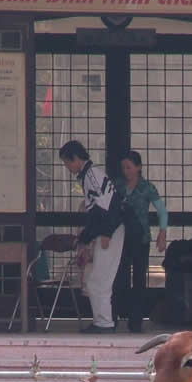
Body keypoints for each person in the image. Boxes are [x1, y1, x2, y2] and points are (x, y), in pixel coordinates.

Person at [59, 140, 129, 334]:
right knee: (97, 279)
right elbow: (97, 211)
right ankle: (102, 321)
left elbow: (111, 206)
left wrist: (106, 233)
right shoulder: (88, 176)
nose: (67, 167)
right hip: (106, 230)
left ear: (75, 158)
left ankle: (104, 323)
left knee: (100, 279)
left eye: (67, 163)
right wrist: (87, 236)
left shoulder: (92, 175)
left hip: (110, 231)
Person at [112, 150, 168, 334]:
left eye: (129, 167)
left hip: (140, 238)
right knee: (119, 278)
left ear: (138, 167)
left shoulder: (147, 188)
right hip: (120, 238)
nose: (126, 171)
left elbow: (161, 210)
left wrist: (162, 233)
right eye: (123, 168)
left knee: (138, 280)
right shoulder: (117, 186)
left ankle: (135, 321)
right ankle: (114, 317)